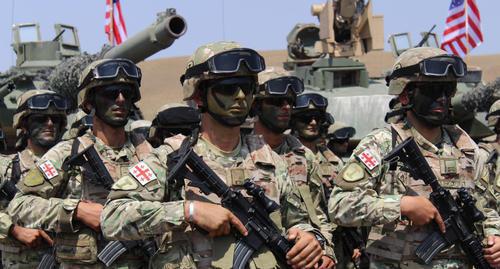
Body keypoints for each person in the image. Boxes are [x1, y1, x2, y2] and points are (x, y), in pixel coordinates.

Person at [101, 41, 325, 269]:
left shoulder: (270, 161)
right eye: (228, 88)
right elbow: (112, 217)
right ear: (199, 95)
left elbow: (299, 222)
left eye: (246, 88)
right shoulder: (170, 159)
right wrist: (189, 211)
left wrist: (309, 238)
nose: (239, 96)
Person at [329, 47, 500, 268]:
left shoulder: (467, 148)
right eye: (432, 90)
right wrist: (402, 205)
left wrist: (495, 237)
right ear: (404, 94)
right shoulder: (380, 144)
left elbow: (488, 207)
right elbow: (339, 204)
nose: (442, 98)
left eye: (448, 90)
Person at [8, 58, 153, 268]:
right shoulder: (67, 154)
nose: (120, 99)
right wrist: (76, 211)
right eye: (110, 93)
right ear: (89, 102)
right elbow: (20, 205)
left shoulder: (150, 154)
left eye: (127, 93)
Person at [253, 67, 336, 268]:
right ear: (256, 105)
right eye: (277, 101)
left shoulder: (304, 156)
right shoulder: (244, 153)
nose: (286, 107)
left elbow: (318, 213)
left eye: (290, 102)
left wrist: (326, 250)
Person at [0, 90, 67, 268]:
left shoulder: (75, 167)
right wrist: (13, 229)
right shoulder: (6, 167)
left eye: (55, 119)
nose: (50, 124)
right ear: (24, 124)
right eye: (40, 119)